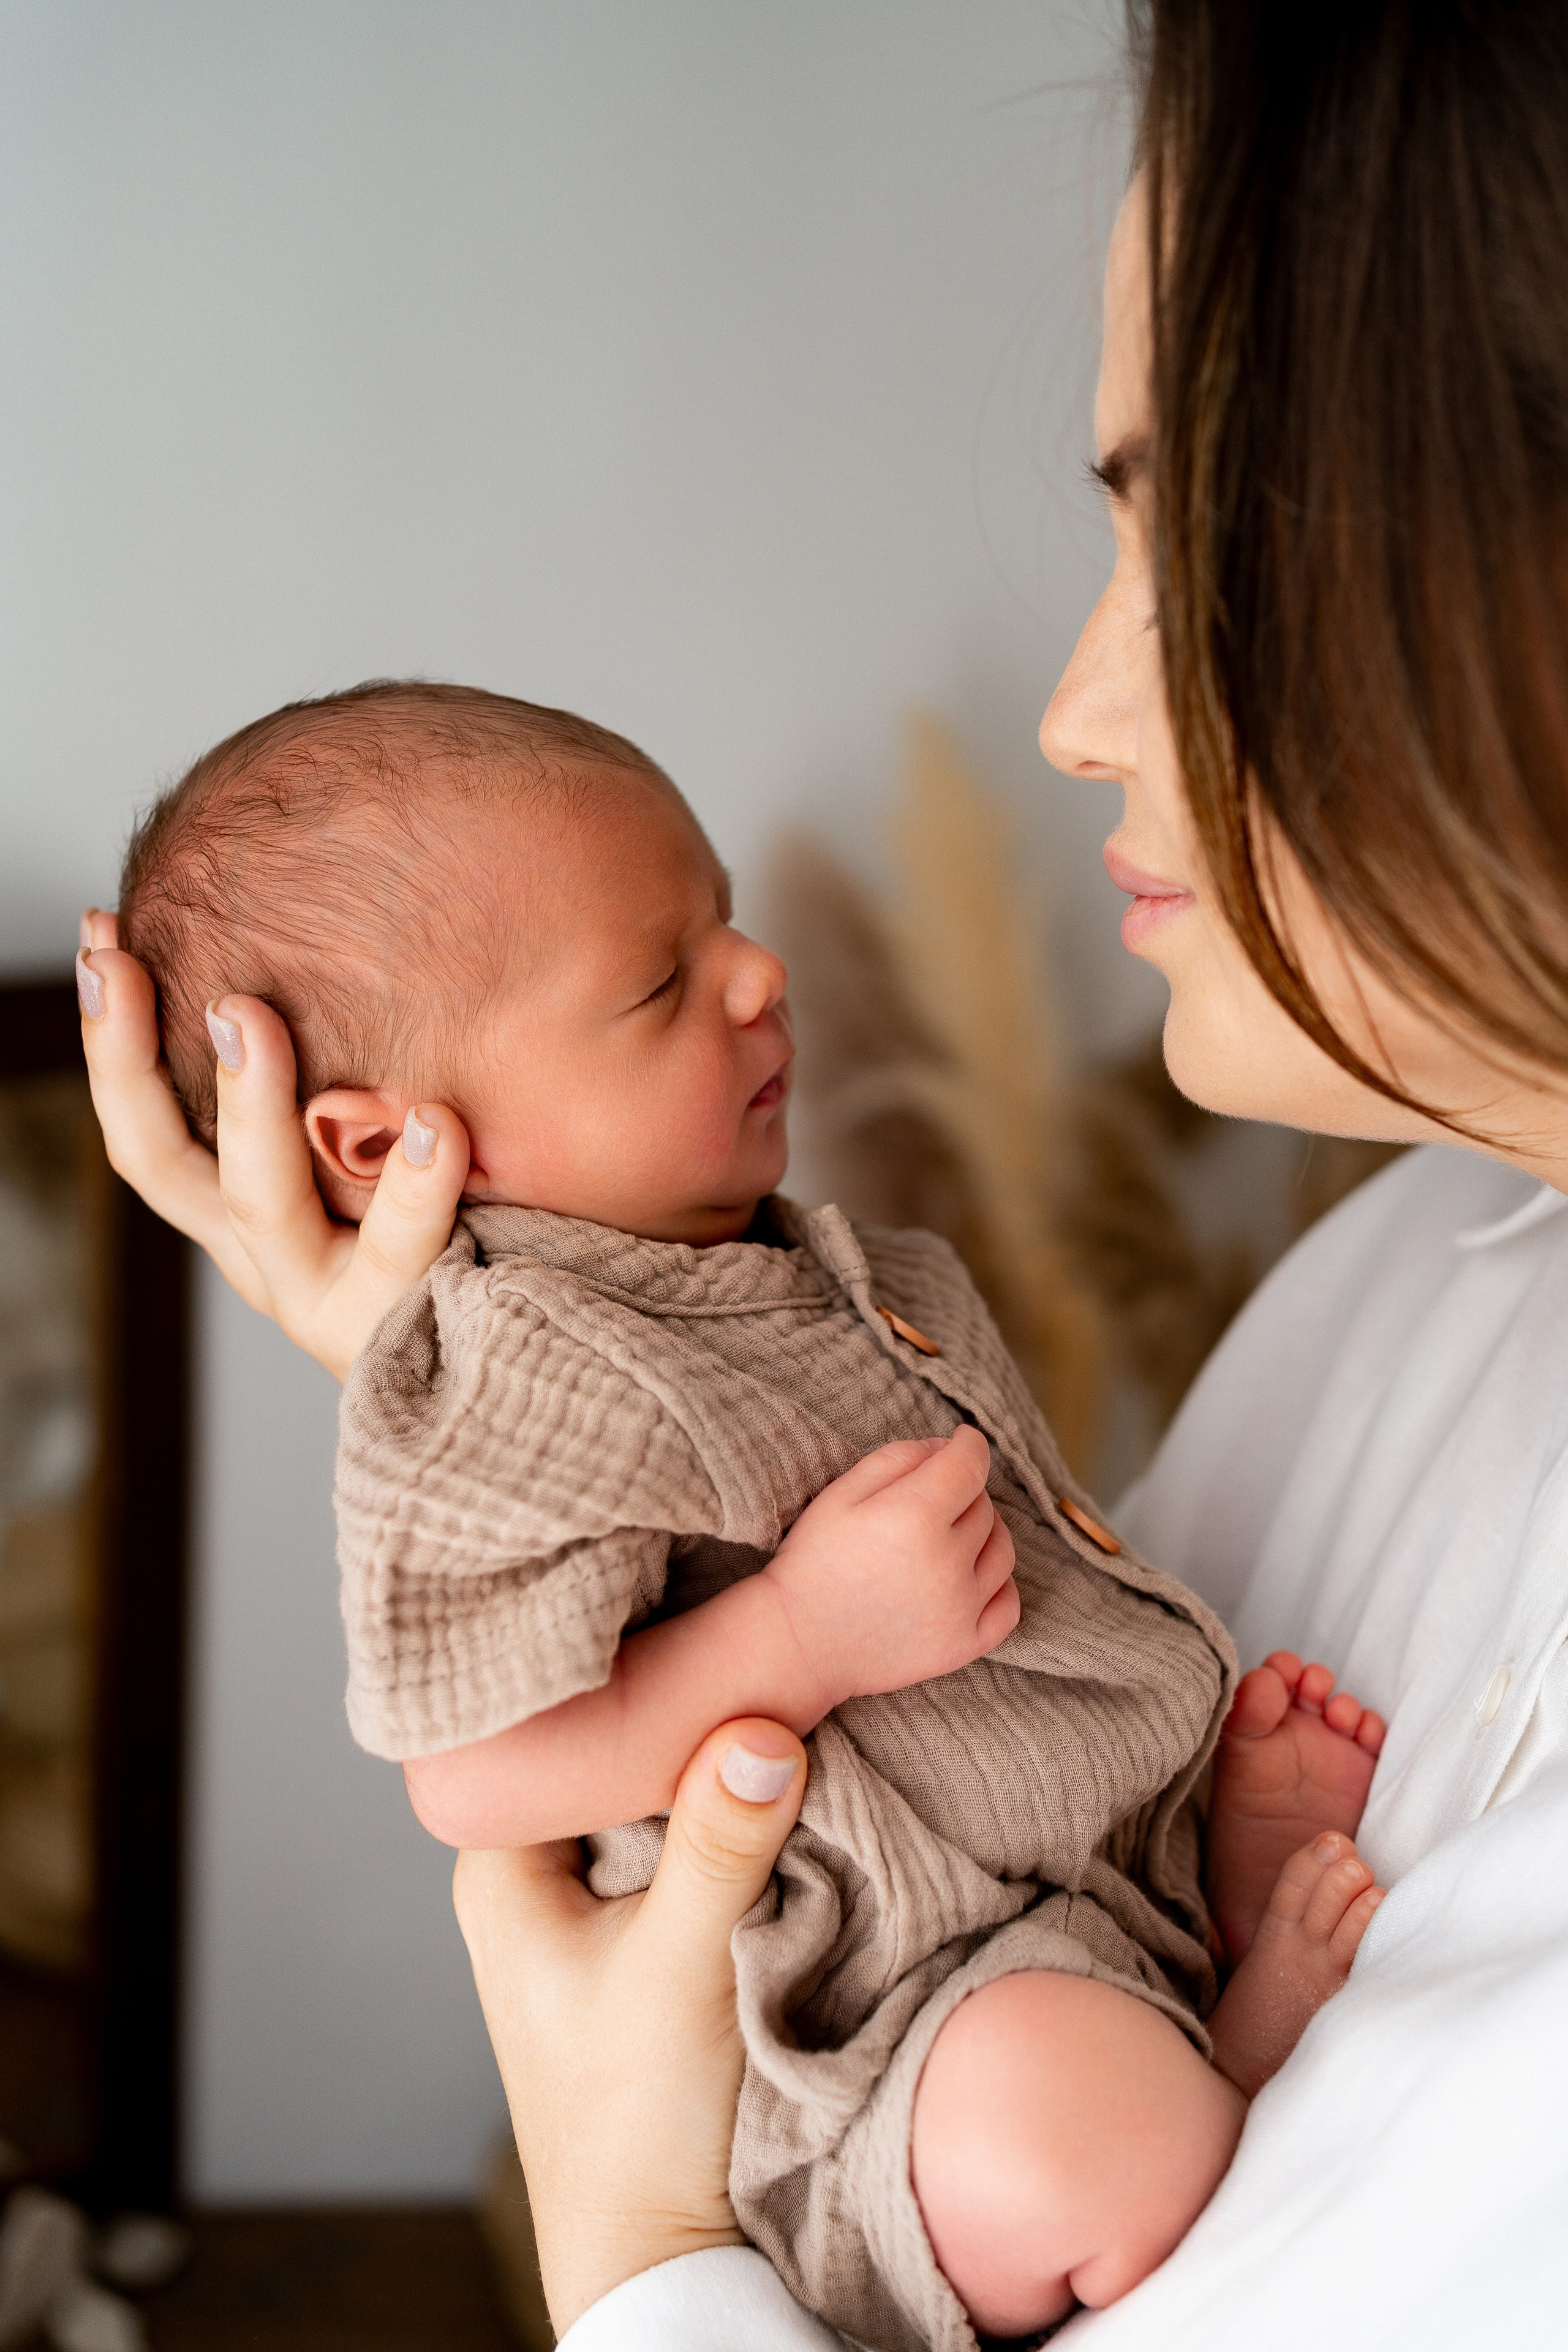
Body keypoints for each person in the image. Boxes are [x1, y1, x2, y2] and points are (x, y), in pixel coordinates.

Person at [72, 0, 1568, 2342]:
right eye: (664, 988)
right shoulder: (1412, 1261)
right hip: (931, 2025)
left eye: (1200, 542)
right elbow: (654, 1684)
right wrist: (472, 1346)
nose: (1075, 711)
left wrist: (641, 2239)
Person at [108, 675, 1381, 2348]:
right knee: (1060, 2133)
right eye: (659, 982)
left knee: (1085, 2051)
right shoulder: (509, 1366)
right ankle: (1224, 2065)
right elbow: (477, 1774)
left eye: (725, 923)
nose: (758, 973)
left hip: (1041, 1888)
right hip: (870, 2035)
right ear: (391, 1141)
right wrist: (800, 1634)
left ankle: (1184, 1938)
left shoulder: (794, 1267)